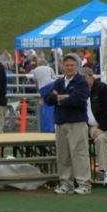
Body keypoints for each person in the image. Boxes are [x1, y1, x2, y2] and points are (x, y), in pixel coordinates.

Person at [44, 53, 92, 195]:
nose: (69, 68)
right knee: (63, 155)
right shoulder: (58, 82)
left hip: (76, 122)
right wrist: (62, 97)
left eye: (72, 65)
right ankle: (66, 183)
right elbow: (47, 98)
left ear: (77, 67)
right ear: (62, 67)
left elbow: (79, 99)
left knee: (79, 154)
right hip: (60, 122)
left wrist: (59, 98)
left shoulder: (81, 82)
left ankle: (84, 183)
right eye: (67, 65)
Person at [29, 59, 56, 132]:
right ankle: (52, 127)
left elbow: (36, 82)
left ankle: (47, 128)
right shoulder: (50, 68)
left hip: (43, 88)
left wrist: (39, 91)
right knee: (51, 106)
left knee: (46, 106)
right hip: (52, 85)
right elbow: (53, 78)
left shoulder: (35, 70)